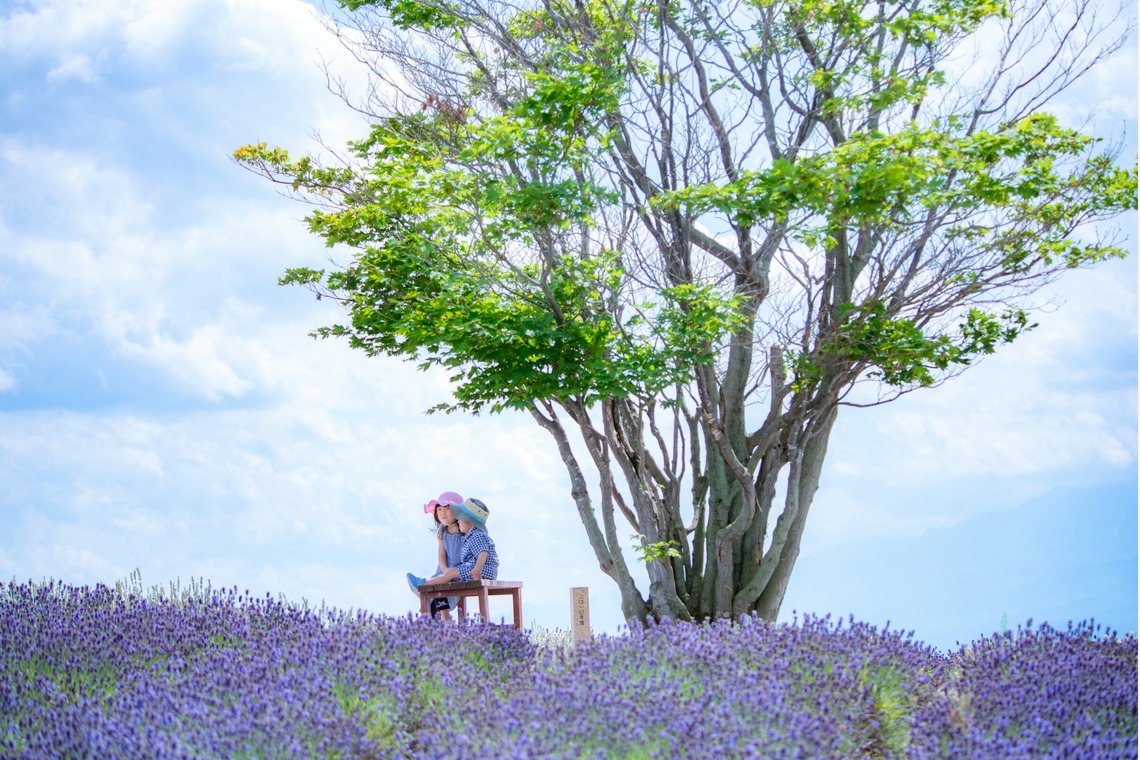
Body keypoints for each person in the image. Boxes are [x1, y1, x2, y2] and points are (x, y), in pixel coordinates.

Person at [411, 497, 499, 617]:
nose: (459, 522)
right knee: (440, 586)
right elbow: (441, 555)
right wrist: (446, 571)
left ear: (469, 521)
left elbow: (483, 552)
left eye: (460, 520)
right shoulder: (465, 535)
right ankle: (441, 617)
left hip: (479, 570)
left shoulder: (476, 536)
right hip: (469, 569)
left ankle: (424, 584)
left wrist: (477, 568)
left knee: (448, 577)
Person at [406, 490, 465, 619]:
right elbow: (441, 555)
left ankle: (443, 620)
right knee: (434, 594)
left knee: (440, 592)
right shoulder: (442, 532)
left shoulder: (464, 530)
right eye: (439, 509)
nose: (443, 512)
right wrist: (445, 570)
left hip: (458, 572)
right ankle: (435, 622)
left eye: (447, 508)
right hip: (443, 571)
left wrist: (450, 574)